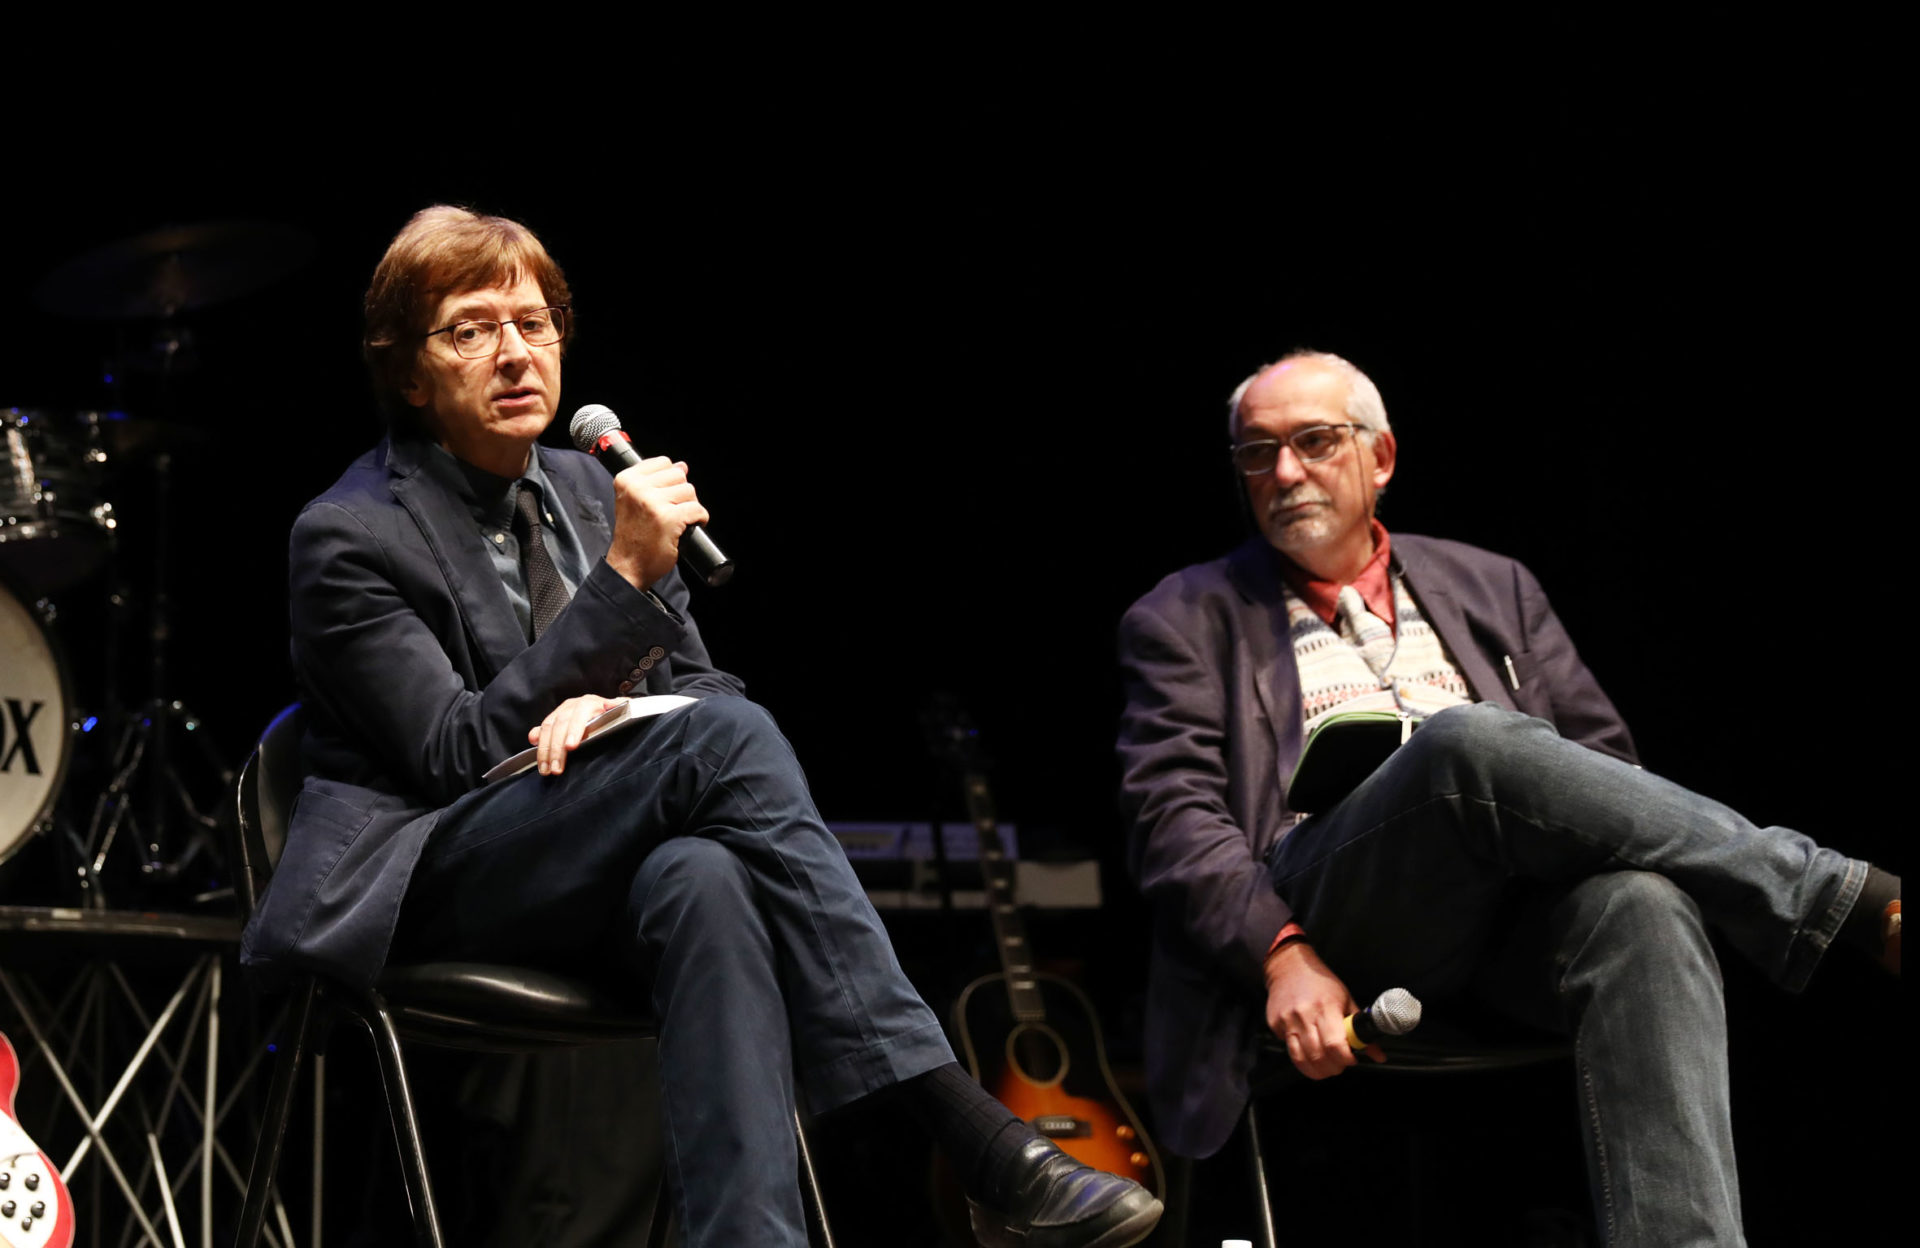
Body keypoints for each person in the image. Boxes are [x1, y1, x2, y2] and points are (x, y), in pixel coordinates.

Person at [238, 205, 1162, 1248]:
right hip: (430, 882)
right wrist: (622, 595)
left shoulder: (593, 490)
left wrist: (614, 702)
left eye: (536, 324)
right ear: (409, 372)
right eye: (471, 329)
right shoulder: (348, 535)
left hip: (576, 851)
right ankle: (969, 1132)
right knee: (719, 750)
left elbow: (706, 692)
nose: (514, 353)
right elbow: (454, 755)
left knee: (706, 879)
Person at [1114, 350, 1900, 1246]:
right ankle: (1843, 899)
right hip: (1323, 906)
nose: (1285, 471)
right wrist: (1282, 952)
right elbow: (1172, 823)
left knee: (1643, 903)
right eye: (1258, 453)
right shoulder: (1182, 616)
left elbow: (1606, 770)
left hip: (1497, 931)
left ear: (1383, 458)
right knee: (1466, 739)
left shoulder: (1495, 585)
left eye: (1315, 442)